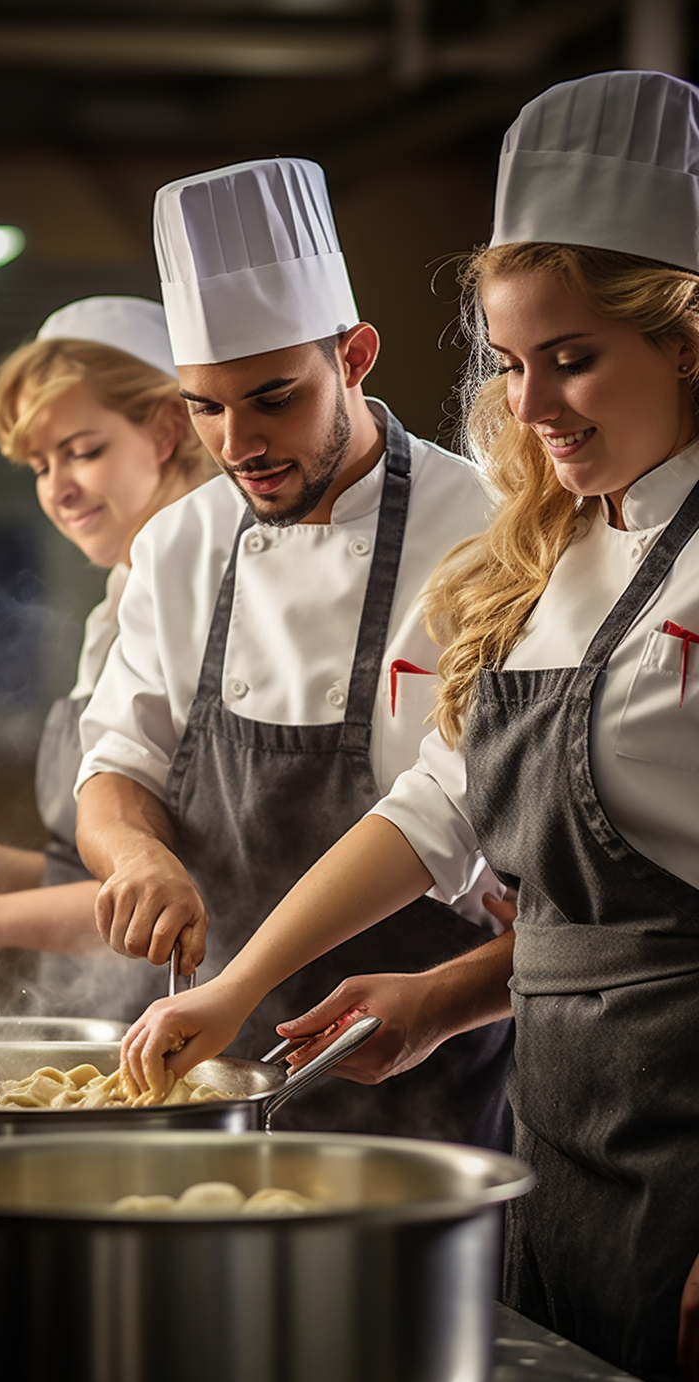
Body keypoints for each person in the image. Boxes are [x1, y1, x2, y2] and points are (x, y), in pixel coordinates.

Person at [114, 73, 699, 1382]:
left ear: (688, 339)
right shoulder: (558, 548)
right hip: (560, 1148)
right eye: (511, 362)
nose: (536, 407)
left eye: (576, 356)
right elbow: (441, 807)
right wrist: (390, 993)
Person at [74, 156, 515, 1142]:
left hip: (419, 1078)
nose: (239, 442)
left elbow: (443, 811)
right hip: (201, 1064)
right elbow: (114, 765)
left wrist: (240, 983)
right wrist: (134, 853)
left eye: (273, 398)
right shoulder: (180, 543)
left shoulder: (489, 530)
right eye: (205, 407)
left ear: (355, 355)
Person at [0, 295, 213, 1019]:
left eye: (84, 451)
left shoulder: (215, 604)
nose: (58, 488)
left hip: (197, 1019)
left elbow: (202, 894)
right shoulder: (114, 610)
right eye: (39, 464)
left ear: (164, 430)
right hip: (118, 1019)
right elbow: (90, 880)